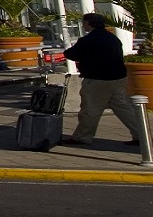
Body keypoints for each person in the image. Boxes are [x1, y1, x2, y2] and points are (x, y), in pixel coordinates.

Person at [59, 12, 143, 146]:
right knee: (123, 108)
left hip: (97, 79)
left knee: (90, 109)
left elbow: (71, 54)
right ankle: (141, 135)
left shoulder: (88, 40)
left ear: (88, 23)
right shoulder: (113, 38)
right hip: (118, 77)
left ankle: (82, 137)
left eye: (84, 22)